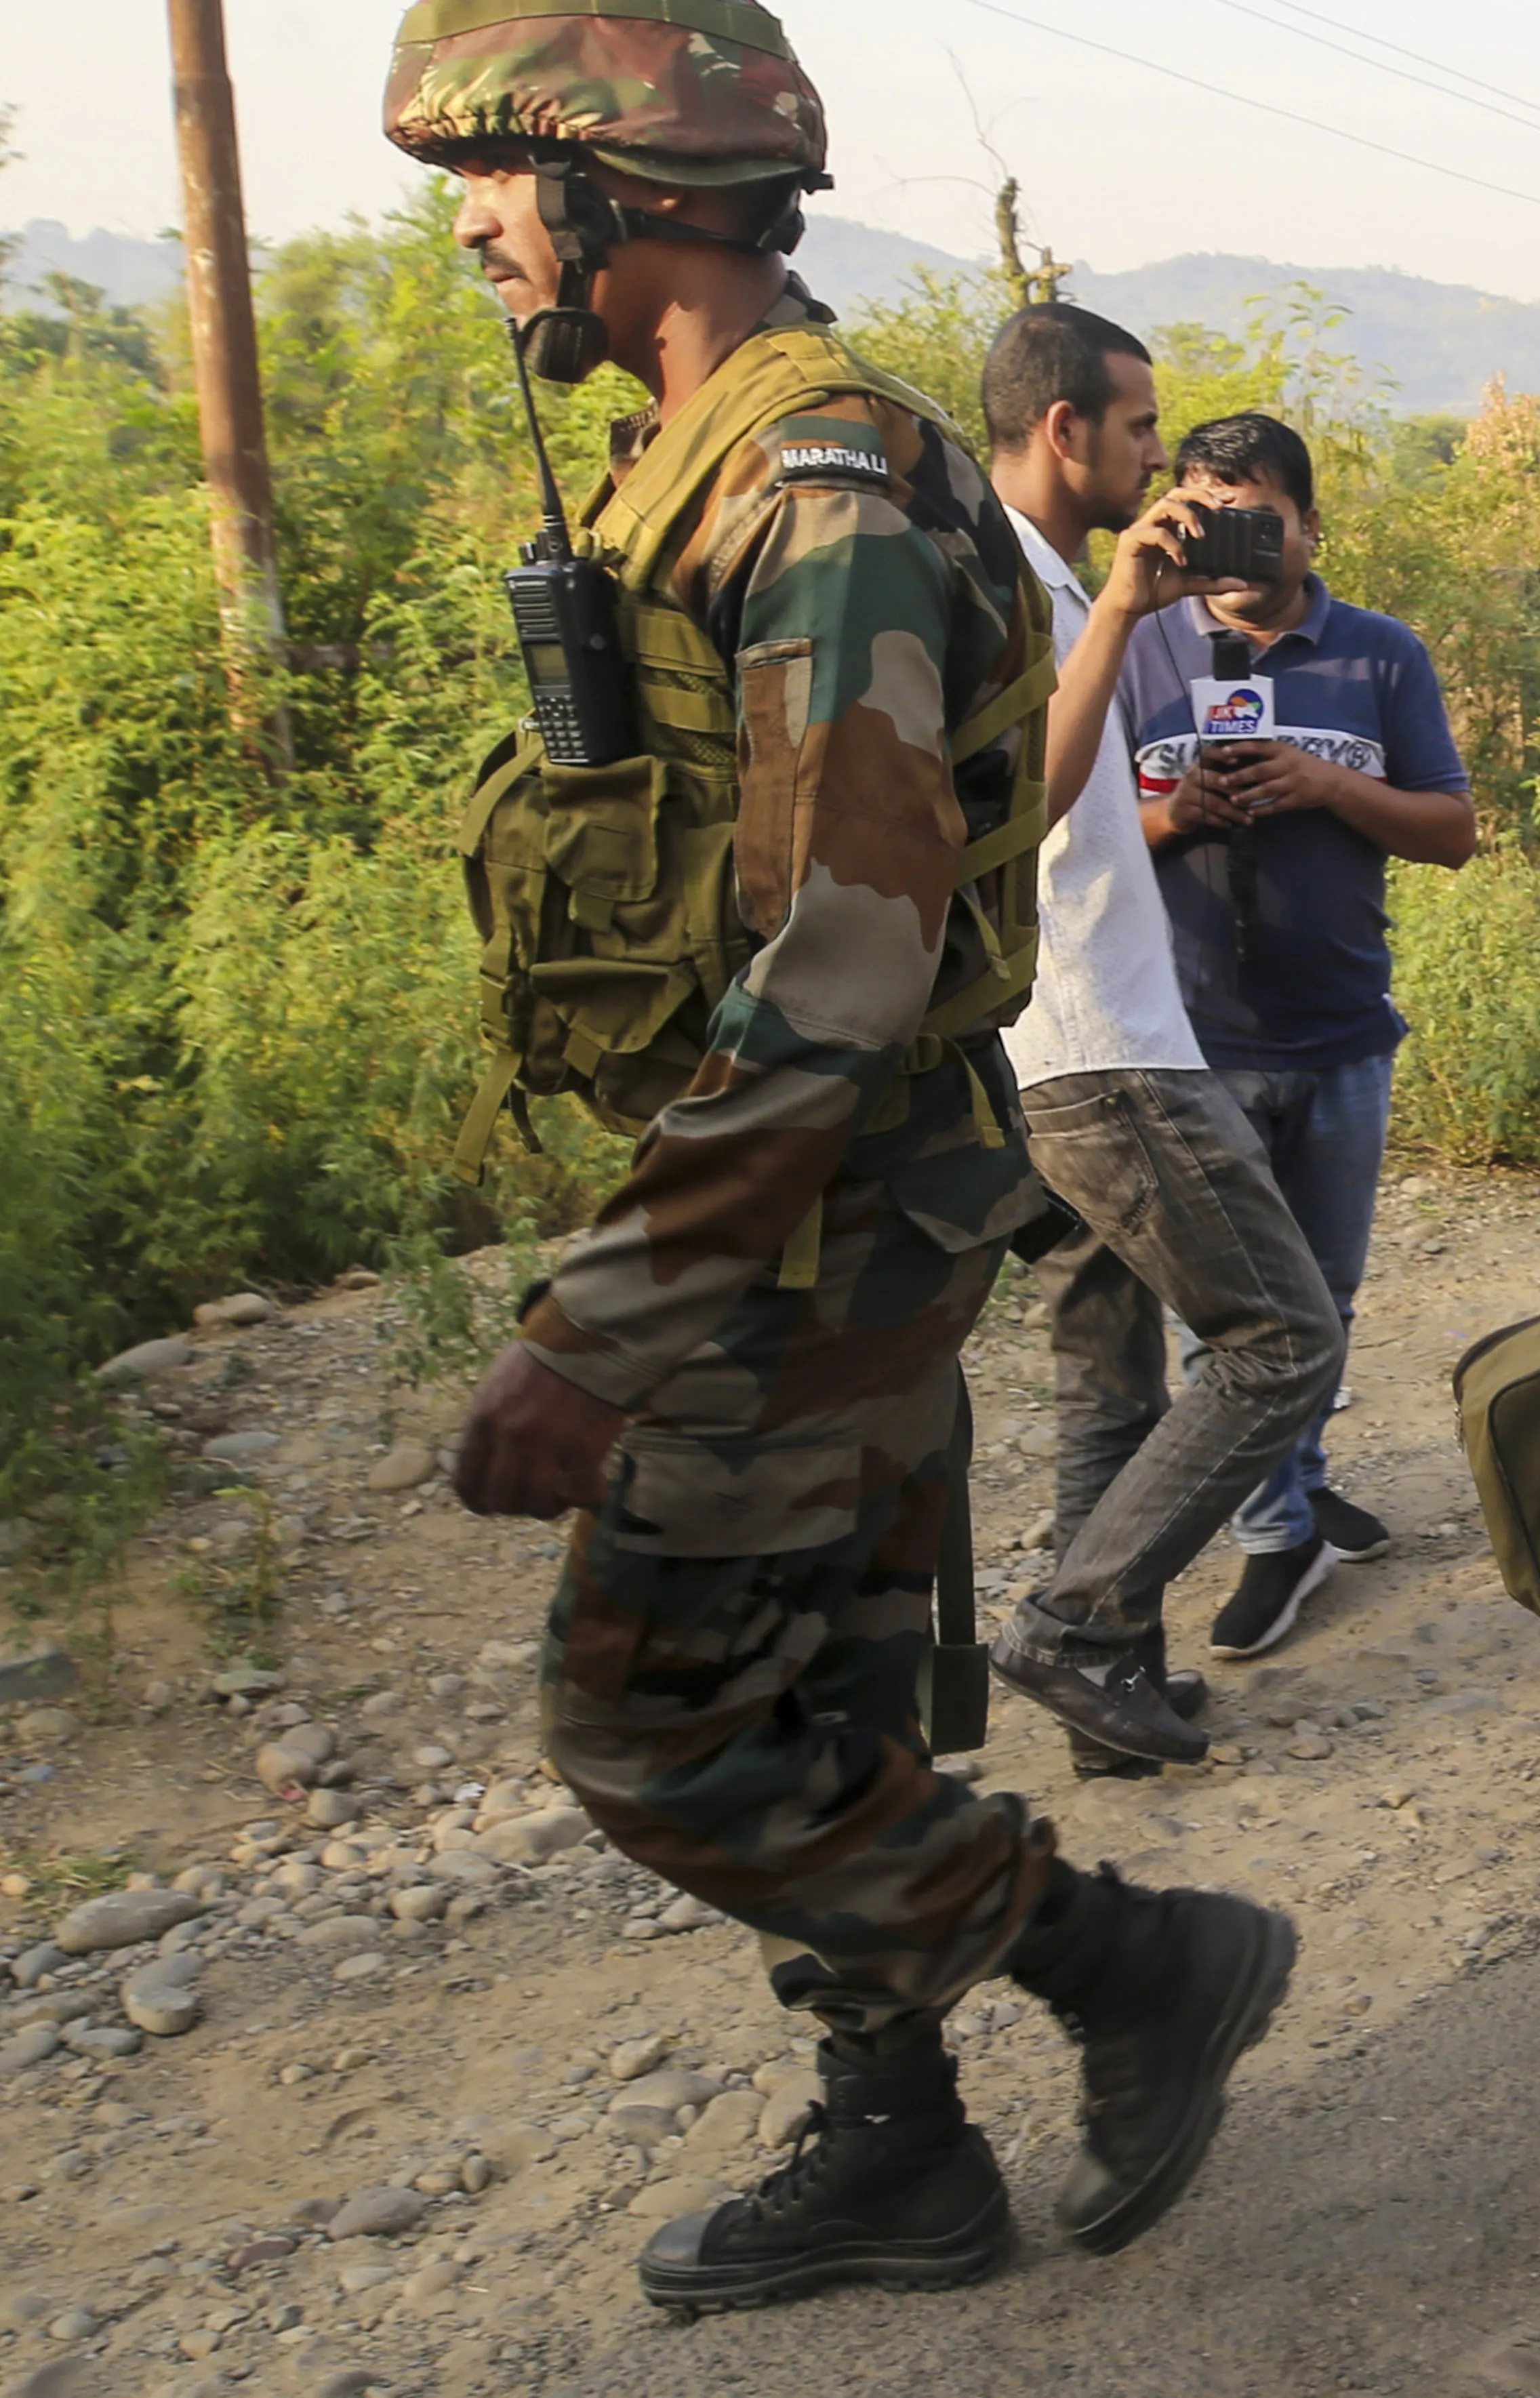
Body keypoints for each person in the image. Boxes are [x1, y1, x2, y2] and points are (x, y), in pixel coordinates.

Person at [391, 0, 1291, 2311]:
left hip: (803, 1228)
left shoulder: (821, 496)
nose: (473, 223)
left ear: (629, 190)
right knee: (840, 1685)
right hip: (828, 1210)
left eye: (498, 174)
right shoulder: (703, 463)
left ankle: (1125, 1961)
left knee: (649, 1716)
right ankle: (897, 2145)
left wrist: (606, 1323)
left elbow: (850, 957)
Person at [972, 304, 1345, 1771]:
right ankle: (1074, 1622)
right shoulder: (1024, 588)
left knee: (1110, 1377)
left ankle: (1108, 1686)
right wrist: (1128, 609)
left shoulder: (1051, 583)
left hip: (1073, 1036)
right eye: (1138, 428)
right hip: (1096, 1045)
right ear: (1065, 428)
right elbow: (1027, 804)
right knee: (1282, 1338)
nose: (1157, 456)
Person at [1119, 412, 1479, 1656]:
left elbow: (1451, 830)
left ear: (1311, 525)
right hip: (1193, 1038)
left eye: (1255, 513)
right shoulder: (1136, 647)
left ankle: (1300, 1476)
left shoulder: (1379, 656)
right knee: (1232, 1315)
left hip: (1340, 1033)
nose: (1229, 539)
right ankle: (1277, 1537)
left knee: (1319, 1301)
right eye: (1203, 510)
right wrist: (1176, 816)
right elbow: (1074, 827)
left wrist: (1327, 785)